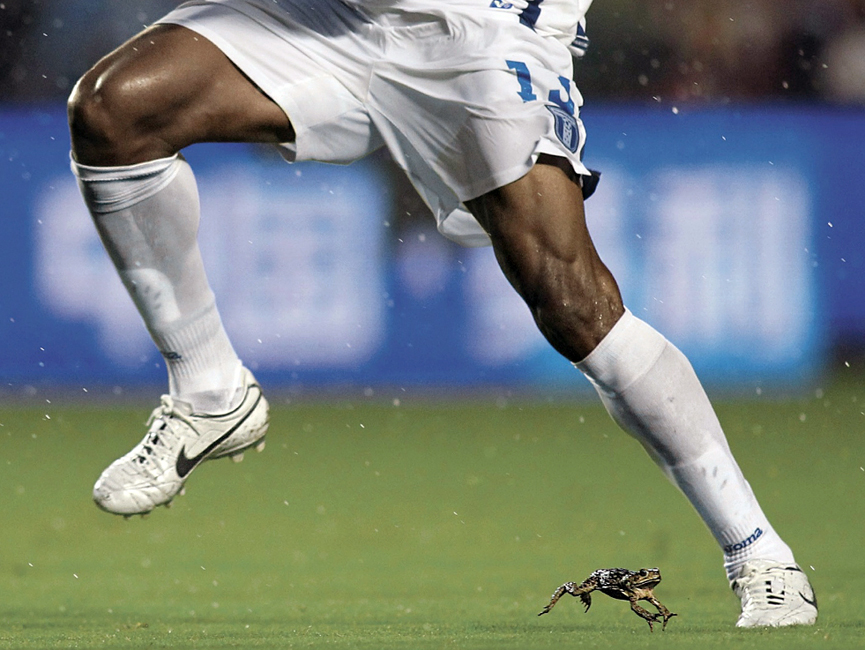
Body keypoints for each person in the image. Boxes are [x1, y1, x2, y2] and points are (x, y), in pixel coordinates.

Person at [67, 0, 817, 628]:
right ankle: (209, 391)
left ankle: (758, 553)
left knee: (572, 305)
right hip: (336, 19)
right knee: (114, 109)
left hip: (478, 29)